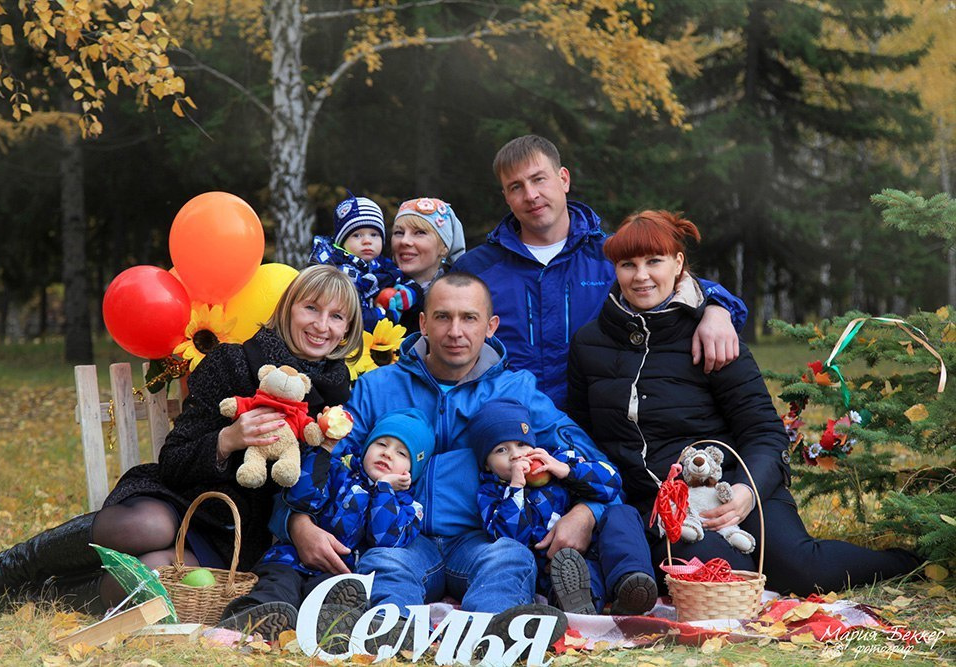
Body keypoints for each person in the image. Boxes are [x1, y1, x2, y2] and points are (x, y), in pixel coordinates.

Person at [0, 265, 364, 614]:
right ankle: (0, 570)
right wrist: (226, 440)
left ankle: (27, 599)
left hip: (242, 537)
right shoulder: (234, 361)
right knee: (144, 527)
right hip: (183, 496)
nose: (320, 325)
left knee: (151, 576)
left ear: (348, 329)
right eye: (310, 307)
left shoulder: (340, 399)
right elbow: (175, 458)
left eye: (335, 316)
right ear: (288, 307)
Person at [566, 210, 923, 595]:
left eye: (654, 261)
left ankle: (913, 563)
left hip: (737, 482)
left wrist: (746, 493)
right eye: (627, 264)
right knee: (723, 570)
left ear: (678, 264)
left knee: (802, 570)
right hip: (664, 504)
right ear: (614, 270)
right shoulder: (589, 345)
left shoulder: (711, 333)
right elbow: (582, 438)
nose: (641, 276)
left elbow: (764, 432)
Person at [290, 272, 653, 645]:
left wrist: (587, 513)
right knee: (383, 564)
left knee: (510, 559)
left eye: (469, 318)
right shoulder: (377, 386)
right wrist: (296, 522)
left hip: (484, 538)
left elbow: (590, 461)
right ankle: (391, 635)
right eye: (443, 317)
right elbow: (325, 458)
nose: (455, 331)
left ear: (491, 326)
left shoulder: (517, 390)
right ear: (423, 322)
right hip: (401, 537)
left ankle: (487, 638)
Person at [454, 135, 746, 409]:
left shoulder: (611, 256)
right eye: (516, 186)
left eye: (538, 179)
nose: (531, 195)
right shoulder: (477, 270)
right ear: (506, 195)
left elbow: (675, 282)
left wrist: (718, 309)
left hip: (599, 429)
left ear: (563, 179)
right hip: (508, 429)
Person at [218, 408, 435, 637]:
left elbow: (384, 538)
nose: (388, 454)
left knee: (332, 595)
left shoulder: (409, 509)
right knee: (277, 586)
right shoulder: (338, 472)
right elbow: (300, 497)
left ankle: (329, 627)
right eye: (381, 443)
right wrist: (323, 452)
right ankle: (253, 620)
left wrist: (384, 488)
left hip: (339, 570)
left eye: (402, 453)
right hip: (291, 558)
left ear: (412, 472)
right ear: (366, 447)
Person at [468, 398, 656, 616]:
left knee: (622, 513)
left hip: (599, 543)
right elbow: (509, 538)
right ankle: (581, 606)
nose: (516, 455)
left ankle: (632, 581)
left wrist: (567, 471)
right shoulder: (491, 493)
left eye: (521, 444)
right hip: (557, 565)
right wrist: (516, 487)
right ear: (486, 464)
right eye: (501, 450)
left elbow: (612, 482)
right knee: (577, 578)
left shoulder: (558, 458)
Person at [310, 193, 421, 332]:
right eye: (357, 235)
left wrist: (409, 293)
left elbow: (405, 279)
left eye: (374, 235)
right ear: (342, 243)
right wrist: (387, 316)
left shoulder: (382, 265)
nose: (367, 241)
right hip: (346, 340)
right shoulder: (338, 271)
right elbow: (352, 316)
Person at [389, 197, 466, 334]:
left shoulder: (461, 297)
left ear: (444, 248)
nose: (405, 241)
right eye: (399, 233)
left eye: (420, 232)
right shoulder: (371, 287)